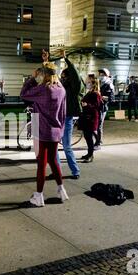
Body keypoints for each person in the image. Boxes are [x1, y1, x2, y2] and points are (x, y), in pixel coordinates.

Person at [20, 63, 69, 207]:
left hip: (41, 131)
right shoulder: (61, 89)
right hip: (55, 131)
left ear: (44, 74)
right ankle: (61, 190)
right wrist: (60, 130)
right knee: (53, 161)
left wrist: (31, 78)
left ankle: (39, 196)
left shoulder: (43, 89)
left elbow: (24, 94)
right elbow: (63, 113)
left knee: (41, 164)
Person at [58, 49, 84, 180]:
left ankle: (75, 171)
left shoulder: (74, 88)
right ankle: (57, 170)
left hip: (67, 118)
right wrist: (45, 61)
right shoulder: (61, 87)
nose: (62, 78)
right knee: (54, 147)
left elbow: (76, 76)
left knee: (67, 147)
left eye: (64, 76)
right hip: (57, 119)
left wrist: (66, 59)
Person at [80, 75, 102, 163]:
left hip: (91, 118)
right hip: (87, 117)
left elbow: (97, 106)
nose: (86, 83)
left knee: (89, 137)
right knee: (87, 136)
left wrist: (87, 105)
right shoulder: (90, 92)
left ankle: (91, 155)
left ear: (93, 83)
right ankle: (89, 153)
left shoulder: (95, 93)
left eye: (88, 81)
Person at [95, 68, 115, 150]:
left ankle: (98, 142)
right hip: (95, 107)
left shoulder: (109, 84)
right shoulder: (97, 83)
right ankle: (98, 140)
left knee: (99, 125)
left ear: (106, 75)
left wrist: (102, 97)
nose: (101, 76)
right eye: (100, 74)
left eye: (102, 74)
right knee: (95, 125)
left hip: (102, 107)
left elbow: (112, 98)